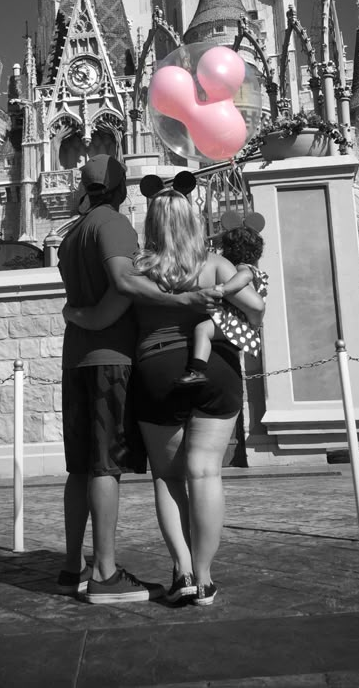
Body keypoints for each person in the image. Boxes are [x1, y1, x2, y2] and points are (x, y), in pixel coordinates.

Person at [68, 186, 265, 608]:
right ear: (194, 221)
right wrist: (222, 293)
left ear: (150, 225)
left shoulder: (137, 271)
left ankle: (183, 572)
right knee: (205, 474)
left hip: (157, 371)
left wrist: (72, 313)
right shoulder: (214, 264)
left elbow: (102, 317)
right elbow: (257, 309)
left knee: (169, 477)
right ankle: (207, 579)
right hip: (216, 370)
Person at [57, 155, 222, 605]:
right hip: (111, 360)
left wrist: (79, 316)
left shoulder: (71, 233)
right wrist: (184, 301)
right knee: (106, 466)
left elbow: (92, 296)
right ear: (119, 188)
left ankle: (73, 566)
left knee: (81, 466)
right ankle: (106, 574)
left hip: (77, 359)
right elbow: (124, 282)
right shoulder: (112, 224)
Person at [178, 223, 268, 386]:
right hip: (242, 321)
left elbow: (245, 277)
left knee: (202, 330)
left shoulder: (241, 268)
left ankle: (196, 370)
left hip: (237, 320)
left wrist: (222, 289)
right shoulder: (250, 267)